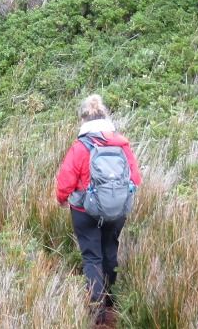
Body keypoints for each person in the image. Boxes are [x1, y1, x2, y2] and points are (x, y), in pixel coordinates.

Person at [55, 94, 142, 324]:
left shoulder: (81, 146)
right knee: (110, 251)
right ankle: (112, 300)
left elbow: (66, 179)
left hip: (84, 212)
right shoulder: (122, 144)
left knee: (92, 257)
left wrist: (62, 198)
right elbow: (135, 178)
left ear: (83, 118)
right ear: (105, 116)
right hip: (116, 210)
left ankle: (96, 309)